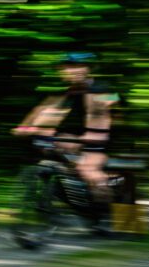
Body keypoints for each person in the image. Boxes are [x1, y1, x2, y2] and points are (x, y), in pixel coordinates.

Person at [14, 53, 119, 201]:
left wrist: (107, 104)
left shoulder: (102, 88)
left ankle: (115, 216)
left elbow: (112, 104)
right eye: (66, 67)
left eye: (76, 67)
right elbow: (41, 110)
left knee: (89, 171)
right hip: (70, 141)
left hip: (96, 144)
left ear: (87, 69)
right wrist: (24, 128)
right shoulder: (64, 94)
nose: (71, 71)